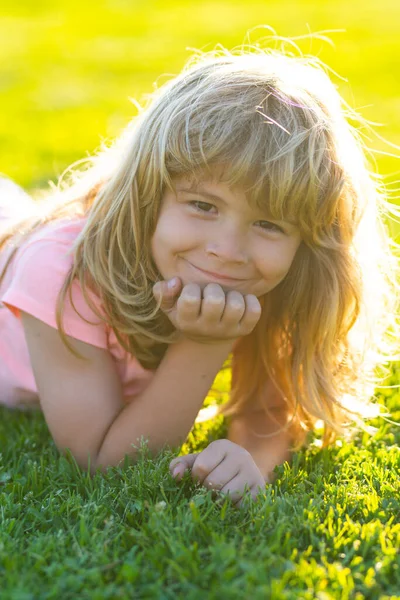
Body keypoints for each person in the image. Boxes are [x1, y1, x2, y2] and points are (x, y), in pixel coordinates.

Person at [1, 41, 399, 509]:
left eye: (268, 224)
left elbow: (268, 408)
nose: (226, 251)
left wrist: (247, 457)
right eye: (203, 205)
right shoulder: (61, 268)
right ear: (149, 191)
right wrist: (203, 344)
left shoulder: (276, 275)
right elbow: (103, 462)